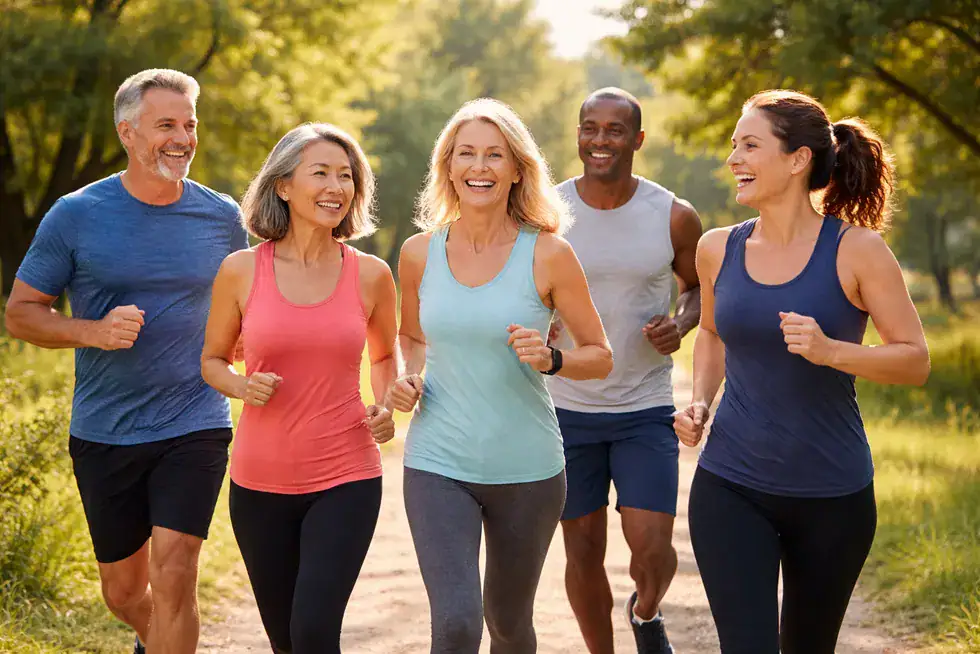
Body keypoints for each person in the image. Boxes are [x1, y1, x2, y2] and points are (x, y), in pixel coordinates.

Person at [674, 89, 930, 654]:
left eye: (749, 145)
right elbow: (711, 332)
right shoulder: (717, 249)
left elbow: (915, 360)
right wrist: (700, 401)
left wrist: (832, 351)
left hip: (833, 495)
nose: (733, 159)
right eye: (733, 145)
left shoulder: (858, 251)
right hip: (730, 484)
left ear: (798, 159)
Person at [4, 69, 248, 654]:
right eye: (166, 125)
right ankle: (153, 640)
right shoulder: (76, 214)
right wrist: (92, 331)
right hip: (106, 428)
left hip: (195, 420)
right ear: (127, 132)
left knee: (176, 571)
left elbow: (249, 304)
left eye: (189, 125)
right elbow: (21, 314)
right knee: (123, 592)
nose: (182, 138)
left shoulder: (222, 217)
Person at [388, 98, 613, 654]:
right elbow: (412, 336)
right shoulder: (418, 253)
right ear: (448, 167)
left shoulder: (549, 255)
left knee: (509, 624)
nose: (479, 167)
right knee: (457, 624)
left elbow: (600, 355)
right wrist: (408, 376)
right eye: (466, 153)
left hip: (527, 468)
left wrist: (552, 359)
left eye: (494, 155)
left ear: (517, 169)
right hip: (438, 462)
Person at [200, 123, 397, 654]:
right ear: (284, 186)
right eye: (321, 173)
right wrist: (242, 386)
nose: (336, 186)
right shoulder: (240, 270)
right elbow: (212, 361)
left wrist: (384, 405)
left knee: (313, 633)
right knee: (285, 640)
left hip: (347, 476)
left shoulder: (371, 274)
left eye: (346, 176)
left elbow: (384, 356)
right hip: (259, 481)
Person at [548, 87, 703, 654]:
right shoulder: (546, 212)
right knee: (583, 551)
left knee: (653, 547)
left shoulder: (673, 215)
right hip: (566, 407)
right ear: (578, 134)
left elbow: (697, 291)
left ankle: (645, 612)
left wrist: (680, 324)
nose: (600, 140)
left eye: (614, 130)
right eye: (590, 127)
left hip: (644, 404)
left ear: (637, 140)